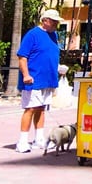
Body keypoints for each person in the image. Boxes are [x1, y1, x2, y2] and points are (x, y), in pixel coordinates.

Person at [15, 9, 62, 153]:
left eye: (56, 21)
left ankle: (39, 138)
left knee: (41, 109)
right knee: (30, 108)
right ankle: (22, 141)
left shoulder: (54, 35)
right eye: (53, 21)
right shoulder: (33, 35)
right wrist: (26, 75)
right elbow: (22, 57)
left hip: (48, 80)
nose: (56, 23)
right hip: (33, 79)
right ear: (45, 20)